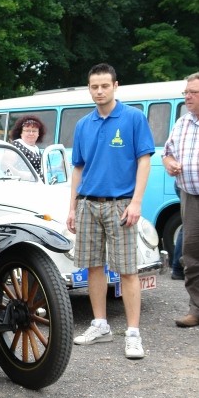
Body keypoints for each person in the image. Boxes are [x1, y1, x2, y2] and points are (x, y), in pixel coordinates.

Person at [66, 63, 155, 359]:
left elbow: (144, 160)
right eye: (94, 87)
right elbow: (78, 167)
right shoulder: (83, 125)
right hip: (88, 204)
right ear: (89, 88)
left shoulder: (133, 118)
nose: (99, 91)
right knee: (92, 266)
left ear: (116, 86)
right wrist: (72, 206)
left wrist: (137, 202)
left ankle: (132, 333)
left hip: (121, 204)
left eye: (105, 85)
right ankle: (100, 324)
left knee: (128, 270)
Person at [162, 71, 199, 327]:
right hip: (190, 196)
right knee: (191, 254)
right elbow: (167, 153)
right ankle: (196, 309)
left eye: (193, 92)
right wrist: (170, 163)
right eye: (185, 92)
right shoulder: (182, 123)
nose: (187, 96)